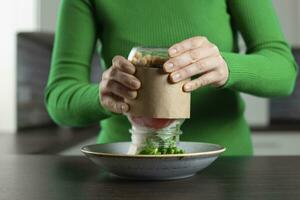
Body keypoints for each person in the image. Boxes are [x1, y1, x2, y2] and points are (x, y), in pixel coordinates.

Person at [45, 0, 298, 156]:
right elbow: (59, 98)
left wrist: (225, 66)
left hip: (224, 167)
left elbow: (284, 72)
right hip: (127, 164)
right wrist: (103, 96)